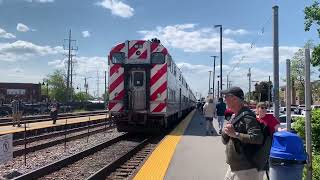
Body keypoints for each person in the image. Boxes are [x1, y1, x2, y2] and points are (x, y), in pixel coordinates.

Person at [221, 87, 264, 180]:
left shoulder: (247, 117)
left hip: (245, 170)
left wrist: (235, 134)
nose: (224, 100)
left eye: (226, 97)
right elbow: (225, 140)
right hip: (234, 167)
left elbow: (257, 138)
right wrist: (226, 132)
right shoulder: (235, 116)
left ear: (235, 99)